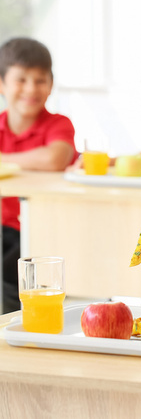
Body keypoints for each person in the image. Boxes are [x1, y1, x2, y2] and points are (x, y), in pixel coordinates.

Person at [0, 37, 77, 313]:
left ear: (51, 84)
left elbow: (55, 158)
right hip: (6, 229)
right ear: (2, 84)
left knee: (14, 268)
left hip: (46, 227)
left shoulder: (58, 124)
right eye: (21, 79)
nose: (31, 89)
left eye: (40, 80)